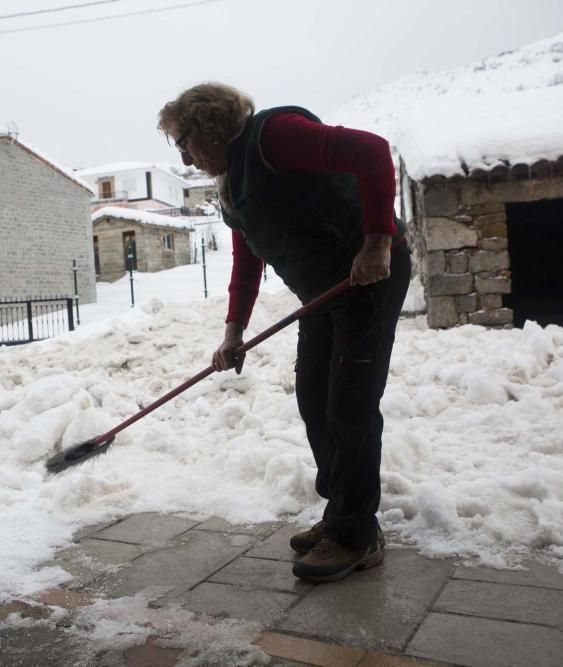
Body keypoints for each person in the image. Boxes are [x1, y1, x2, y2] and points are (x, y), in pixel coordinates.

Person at [158, 83, 411, 583]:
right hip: (322, 291)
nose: (184, 157)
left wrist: (378, 242)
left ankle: (355, 535)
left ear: (208, 126)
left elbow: (372, 152)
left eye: (184, 141)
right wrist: (233, 331)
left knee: (350, 405)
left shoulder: (274, 136)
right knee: (314, 399)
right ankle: (344, 513)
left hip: (368, 275)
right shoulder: (234, 182)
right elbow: (247, 258)